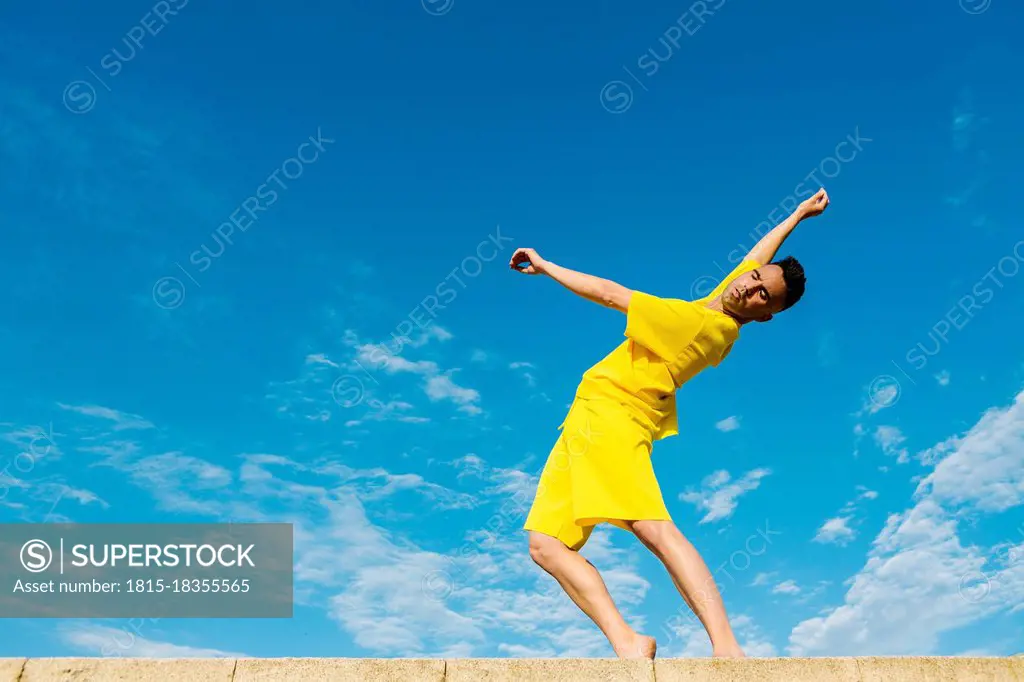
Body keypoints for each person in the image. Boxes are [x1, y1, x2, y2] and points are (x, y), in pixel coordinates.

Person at [509, 188, 830, 659]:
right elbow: (753, 260)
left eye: (763, 293)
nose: (750, 284)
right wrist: (797, 215)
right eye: (756, 278)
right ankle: (628, 641)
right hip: (585, 422)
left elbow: (610, 293)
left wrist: (546, 265)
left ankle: (726, 646)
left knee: (654, 529)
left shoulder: (694, 323)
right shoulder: (716, 311)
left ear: (764, 316)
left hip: (615, 418)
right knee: (546, 545)